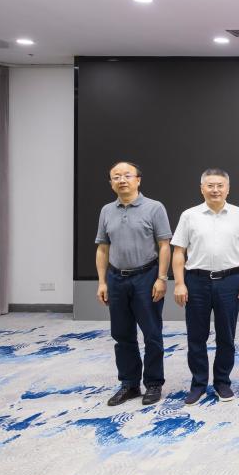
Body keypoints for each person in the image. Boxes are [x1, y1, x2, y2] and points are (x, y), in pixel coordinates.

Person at [171, 168, 239, 405]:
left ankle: (222, 382)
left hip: (230, 281)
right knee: (196, 336)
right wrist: (179, 283)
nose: (215, 190)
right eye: (210, 185)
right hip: (196, 282)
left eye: (220, 185)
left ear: (228, 188)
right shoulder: (189, 215)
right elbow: (178, 252)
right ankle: (198, 384)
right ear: (202, 189)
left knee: (226, 336)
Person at [94, 161, 172, 407]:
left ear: (138, 179)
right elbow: (103, 248)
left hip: (146, 276)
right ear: (111, 183)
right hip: (116, 278)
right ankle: (129, 384)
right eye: (116, 176)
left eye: (127, 175)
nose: (122, 180)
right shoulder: (107, 210)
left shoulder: (154, 208)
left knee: (152, 334)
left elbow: (164, 245)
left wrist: (161, 278)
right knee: (122, 334)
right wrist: (102, 282)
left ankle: (154, 383)